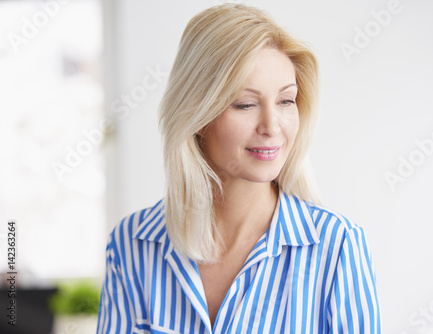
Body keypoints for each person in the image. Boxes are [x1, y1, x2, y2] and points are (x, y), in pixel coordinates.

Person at [97, 4, 381, 333]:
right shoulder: (132, 244)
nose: (272, 126)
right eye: (245, 104)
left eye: (286, 101)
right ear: (197, 116)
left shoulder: (338, 246)